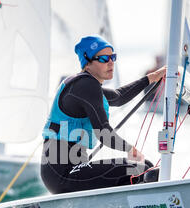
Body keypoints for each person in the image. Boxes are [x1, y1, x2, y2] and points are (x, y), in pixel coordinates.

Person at [41, 35, 166, 194]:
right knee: (142, 169)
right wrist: (130, 149)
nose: (110, 62)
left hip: (66, 173)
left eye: (113, 57)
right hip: (64, 175)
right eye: (103, 58)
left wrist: (152, 77)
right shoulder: (86, 85)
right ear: (87, 63)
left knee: (144, 167)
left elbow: (119, 97)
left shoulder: (83, 86)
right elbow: (103, 133)